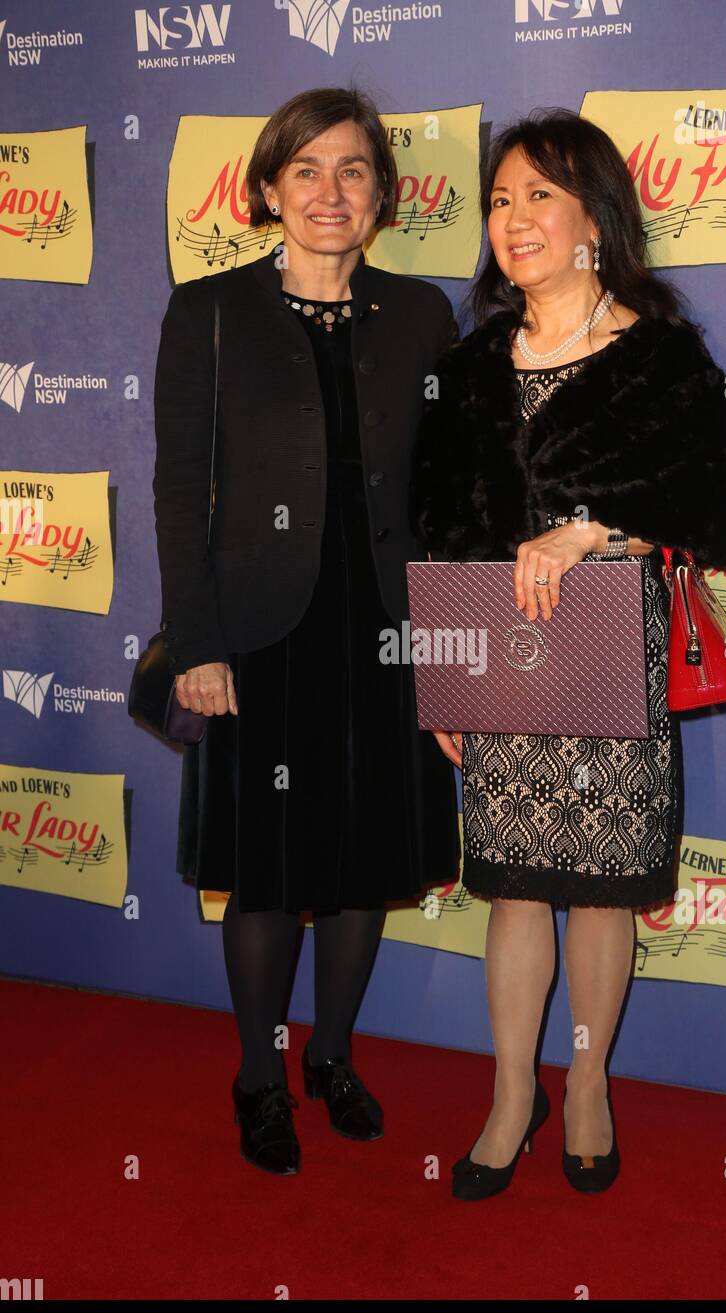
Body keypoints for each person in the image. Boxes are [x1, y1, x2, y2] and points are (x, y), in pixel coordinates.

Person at [409, 108, 726, 1200]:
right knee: (510, 889)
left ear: (594, 216)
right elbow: (436, 532)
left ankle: (588, 1083)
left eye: (537, 196)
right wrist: (446, 671)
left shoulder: (659, 360)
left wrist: (589, 523)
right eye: (499, 199)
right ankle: (512, 1095)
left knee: (600, 891)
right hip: (501, 658)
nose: (513, 219)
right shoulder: (463, 371)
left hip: (613, 649)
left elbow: (705, 503)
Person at [152, 86, 460, 1176]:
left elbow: (443, 493)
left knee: (367, 858)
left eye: (353, 171)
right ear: (269, 189)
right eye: (306, 171)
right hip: (258, 634)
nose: (330, 193)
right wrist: (195, 643)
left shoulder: (423, 314)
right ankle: (257, 1073)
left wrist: (451, 654)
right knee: (270, 868)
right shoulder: (210, 312)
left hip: (385, 628)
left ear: (382, 193)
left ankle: (331, 1057)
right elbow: (178, 489)